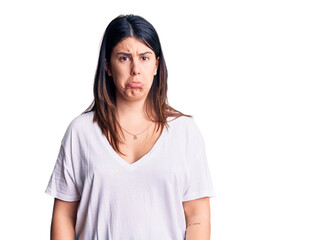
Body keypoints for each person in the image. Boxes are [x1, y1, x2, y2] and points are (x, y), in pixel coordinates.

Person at [45, 14, 216, 240]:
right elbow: (64, 215)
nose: (135, 69)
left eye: (144, 58)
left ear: (156, 65)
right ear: (108, 66)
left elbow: (197, 216)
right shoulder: (81, 132)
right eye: (124, 58)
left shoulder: (184, 132)